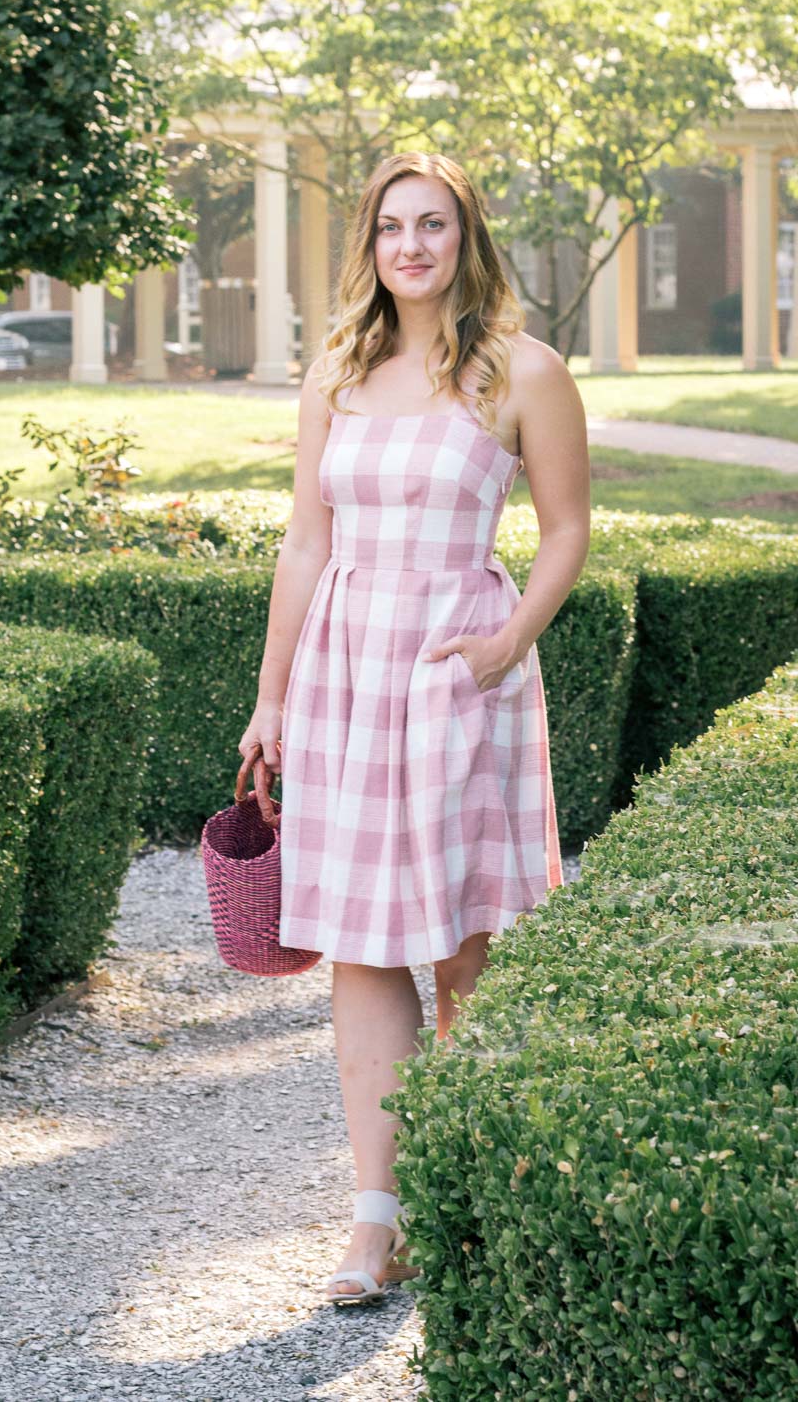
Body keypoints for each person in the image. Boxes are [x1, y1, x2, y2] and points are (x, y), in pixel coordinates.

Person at [238, 150, 591, 1306]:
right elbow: (305, 543)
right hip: (344, 670)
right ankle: (376, 1221)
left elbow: (564, 532)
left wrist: (506, 642)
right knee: (363, 942)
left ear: (465, 239)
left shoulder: (521, 372)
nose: (410, 246)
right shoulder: (336, 372)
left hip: (455, 671)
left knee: (462, 944)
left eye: (431, 224)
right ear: (370, 245)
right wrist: (270, 696)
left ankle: (468, 1193)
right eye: (390, 226)